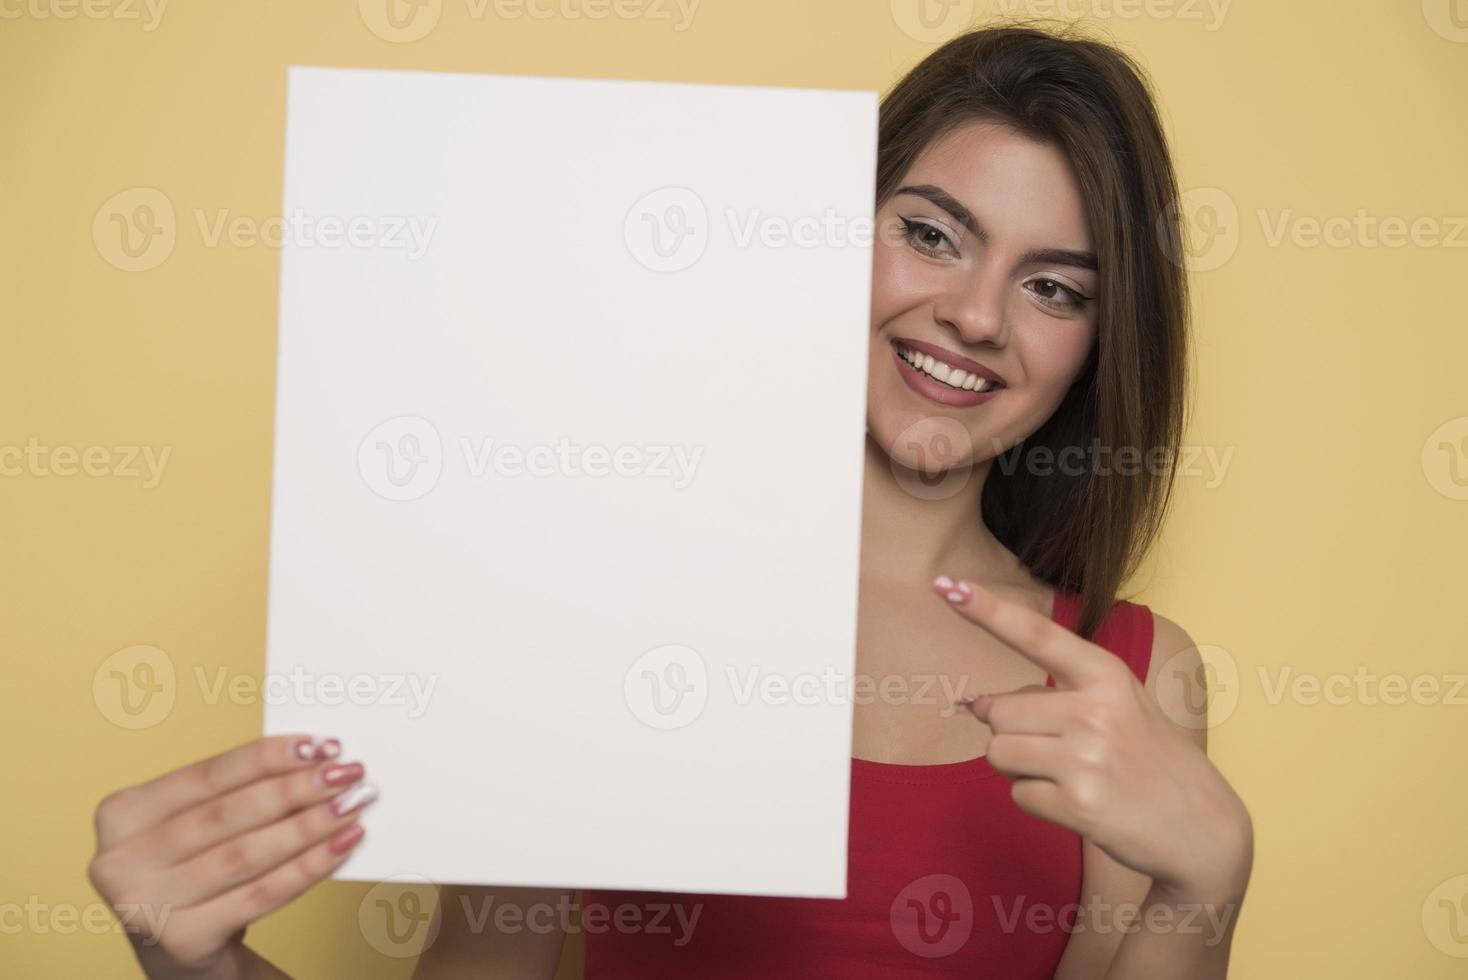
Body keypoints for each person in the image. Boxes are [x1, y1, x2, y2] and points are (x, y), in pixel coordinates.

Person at [87, 24, 1253, 979]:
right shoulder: (594, 590)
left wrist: (1205, 888)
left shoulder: (1129, 671)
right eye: (931, 234)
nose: (977, 315)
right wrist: (198, 964)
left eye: (1050, 286)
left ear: (1098, 347)